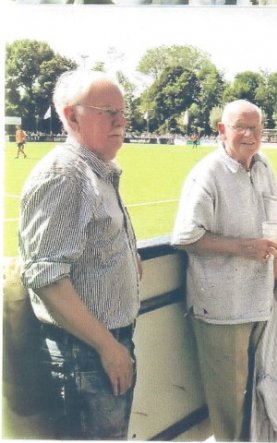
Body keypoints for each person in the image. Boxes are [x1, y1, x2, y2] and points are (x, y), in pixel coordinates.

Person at [172, 100, 277, 441]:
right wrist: (244, 248)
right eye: (240, 127)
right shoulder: (207, 174)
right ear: (222, 130)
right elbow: (186, 236)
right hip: (223, 309)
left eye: (255, 127)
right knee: (231, 406)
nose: (249, 134)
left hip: (263, 299)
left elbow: (272, 221)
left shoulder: (264, 166)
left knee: (267, 391)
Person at [18, 69, 140, 440]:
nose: (120, 121)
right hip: (85, 355)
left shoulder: (96, 171)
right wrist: (108, 348)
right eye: (108, 112)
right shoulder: (66, 175)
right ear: (72, 116)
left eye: (122, 112)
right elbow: (46, 277)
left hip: (102, 349)